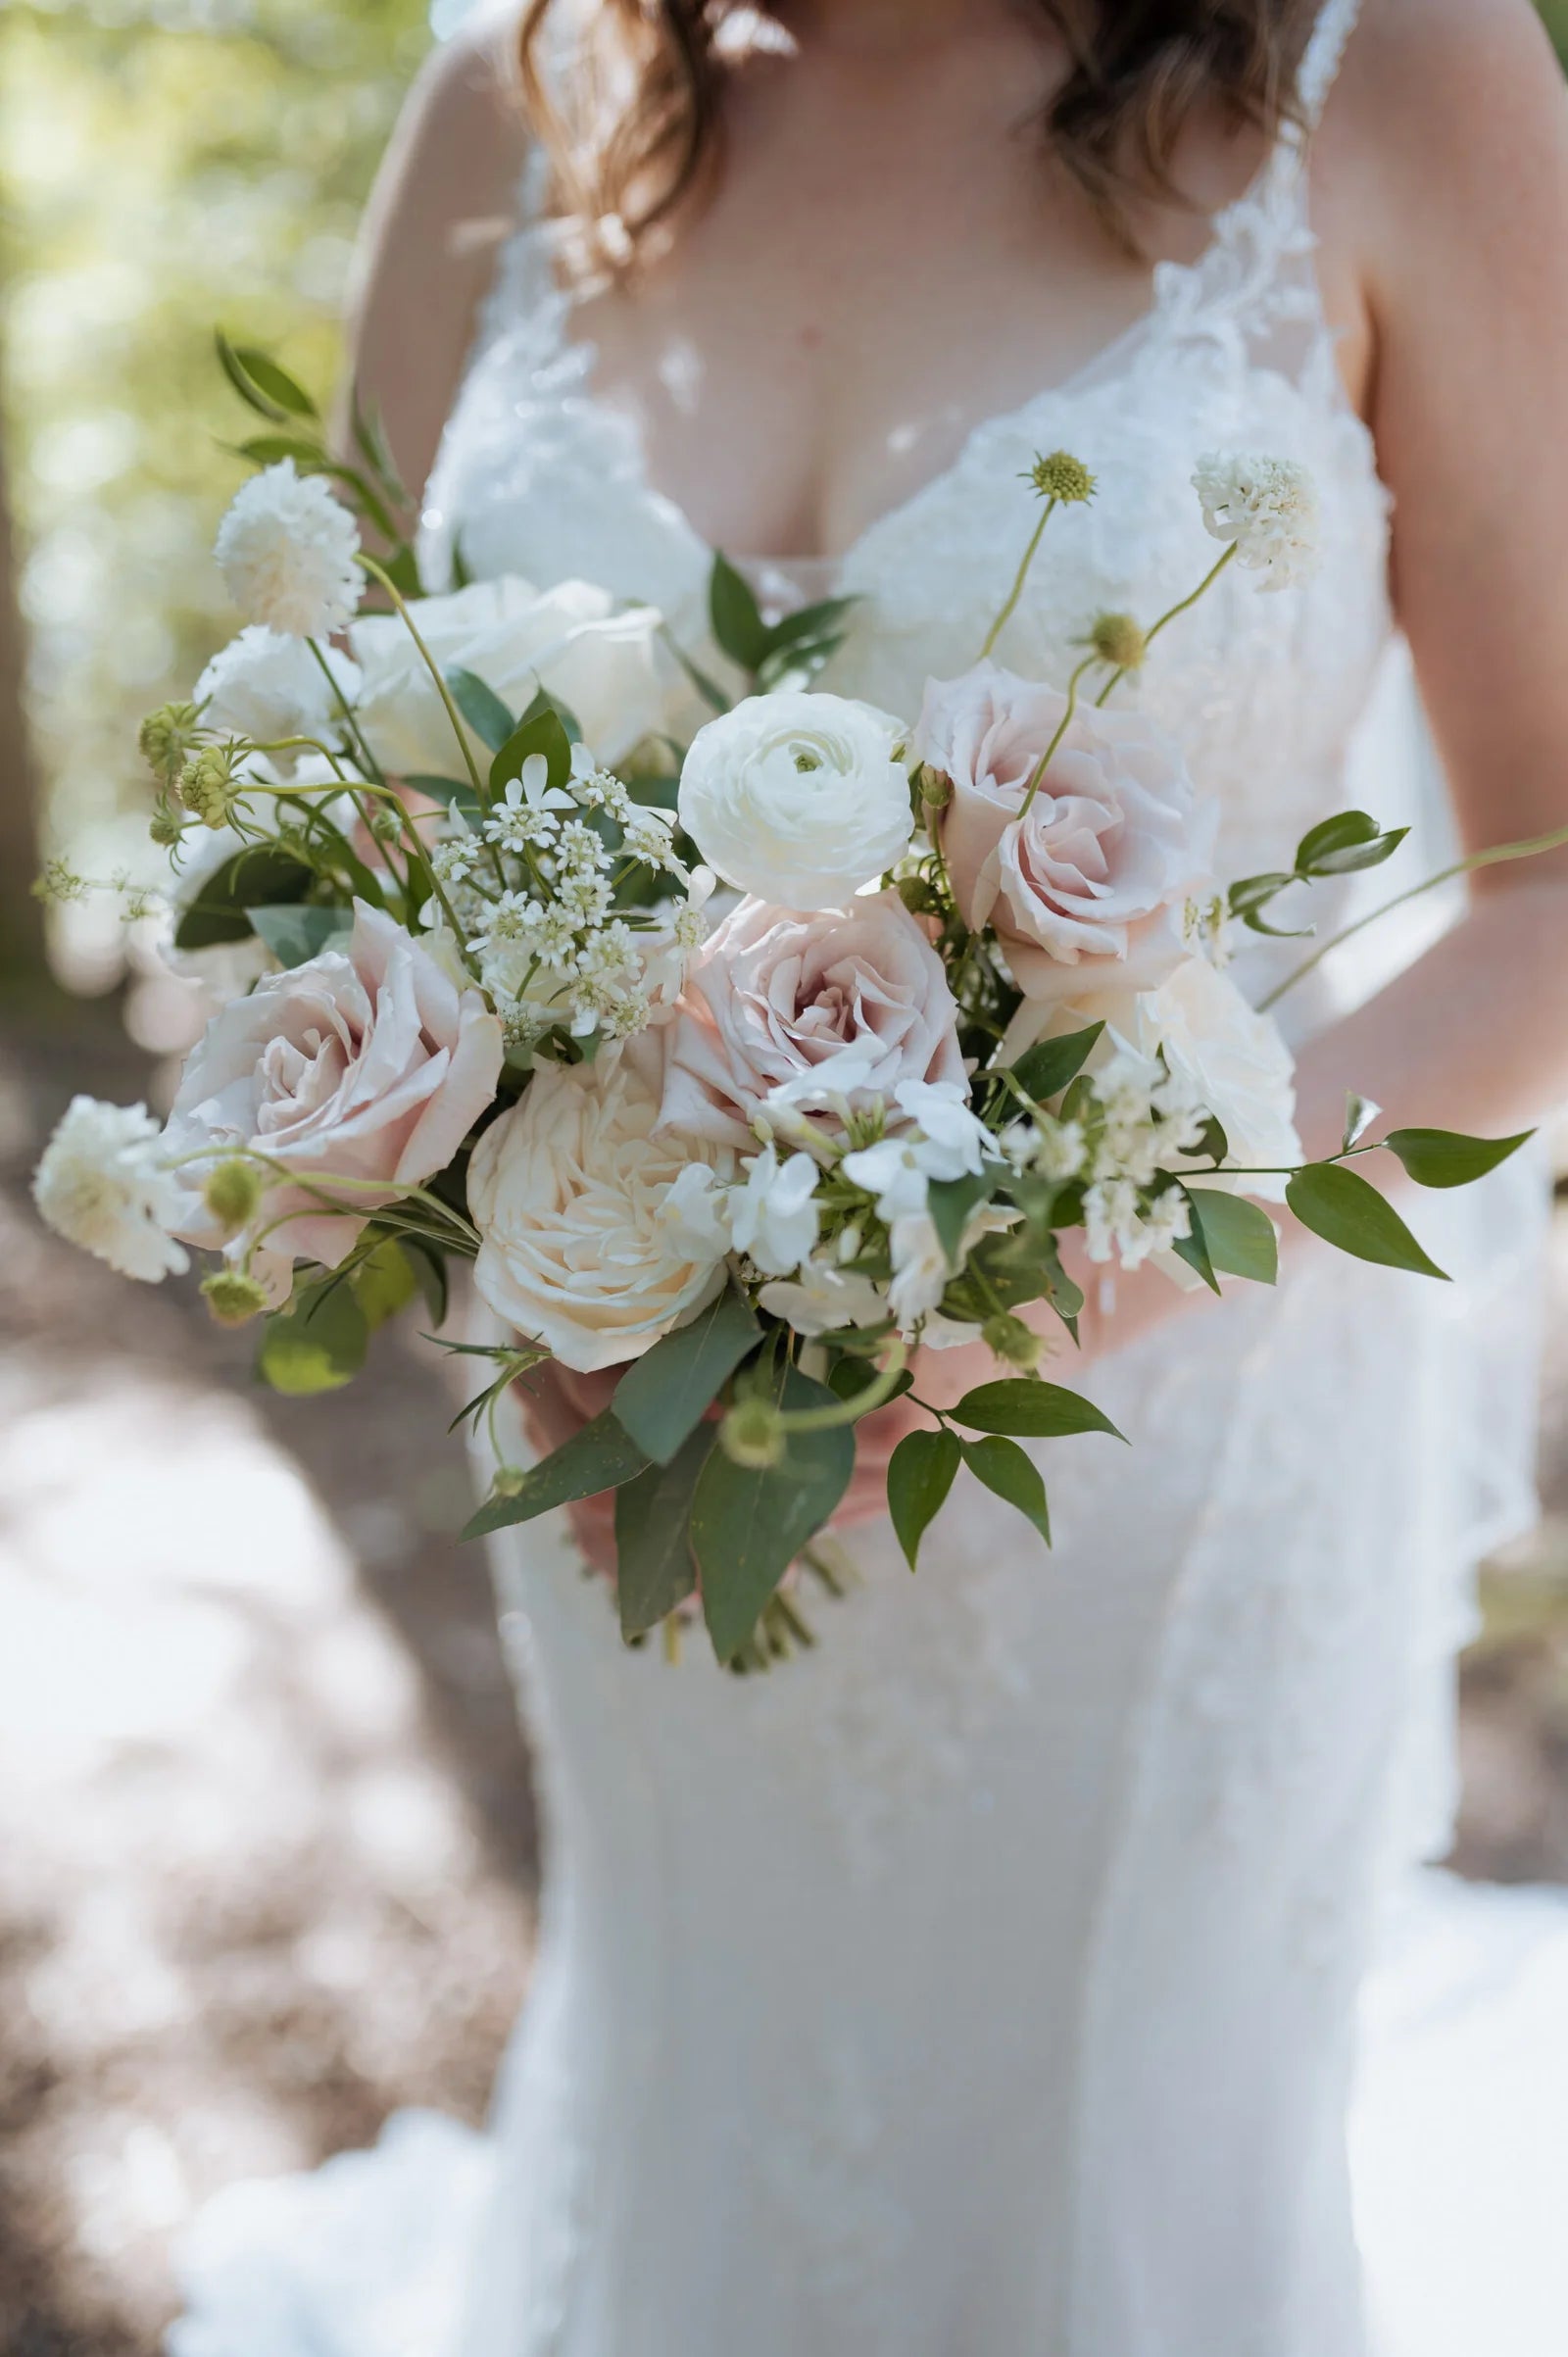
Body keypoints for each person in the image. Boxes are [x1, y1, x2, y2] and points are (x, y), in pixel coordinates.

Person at [171, 4, 1568, 2352]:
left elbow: (1547, 875)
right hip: (631, 1434)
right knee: (703, 2079)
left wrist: (1032, 1303)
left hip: (1165, 1452)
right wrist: (503, 1246)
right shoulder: (514, 96)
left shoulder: (1398, 69)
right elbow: (353, 817)